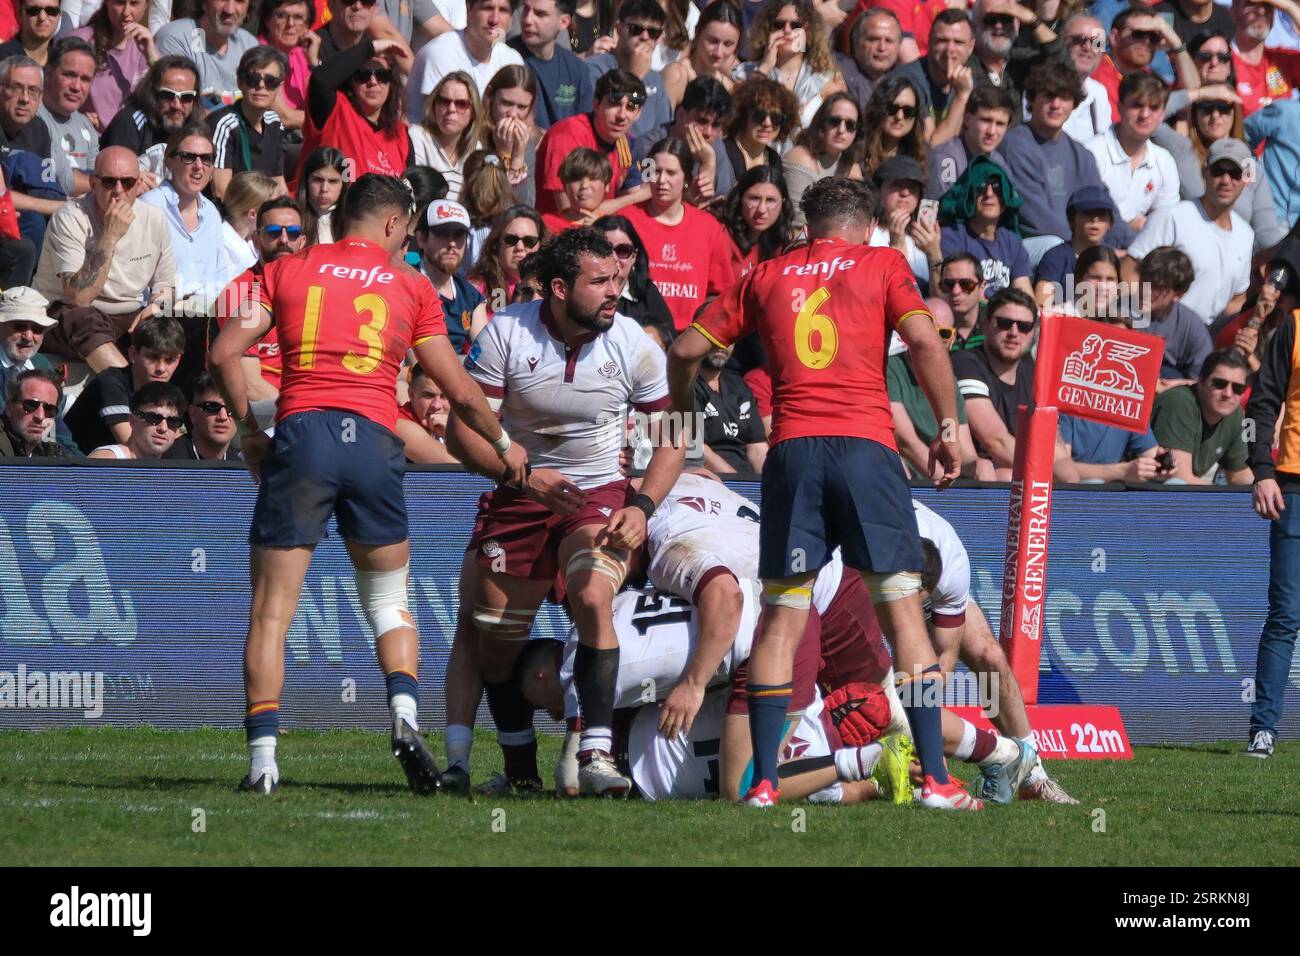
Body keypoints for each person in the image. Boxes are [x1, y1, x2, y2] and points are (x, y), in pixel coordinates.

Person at [208, 173, 525, 796]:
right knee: (387, 599)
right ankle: (404, 716)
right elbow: (460, 390)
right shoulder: (410, 283)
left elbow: (223, 354)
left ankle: (263, 764)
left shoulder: (286, 268)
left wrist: (249, 432)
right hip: (375, 441)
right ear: (393, 223)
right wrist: (503, 445)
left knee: (271, 612)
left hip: (301, 434)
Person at [668, 176, 977, 810]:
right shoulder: (884, 264)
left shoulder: (766, 274)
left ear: (807, 226)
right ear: (868, 226)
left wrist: (681, 413)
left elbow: (684, 347)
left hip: (793, 453)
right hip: (866, 449)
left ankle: (763, 783)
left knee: (782, 620)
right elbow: (924, 341)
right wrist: (948, 428)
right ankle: (937, 781)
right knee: (903, 616)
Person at [442, 226, 685, 797]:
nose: (614, 292)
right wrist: (524, 477)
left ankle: (597, 754)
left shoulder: (633, 341)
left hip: (597, 496)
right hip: (520, 494)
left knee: (594, 594)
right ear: (558, 288)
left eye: (617, 279)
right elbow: (460, 433)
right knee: (496, 640)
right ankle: (519, 769)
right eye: (599, 282)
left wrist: (642, 505)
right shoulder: (506, 331)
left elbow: (675, 437)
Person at [35, 145, 175, 373]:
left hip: (127, 316)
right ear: (93, 184)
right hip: (65, 314)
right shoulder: (70, 217)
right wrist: (110, 237)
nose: (118, 190)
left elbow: (166, 285)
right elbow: (79, 298)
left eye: (127, 182)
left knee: (189, 320)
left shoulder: (154, 218)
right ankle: (128, 387)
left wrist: (158, 307)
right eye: (109, 182)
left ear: (139, 183)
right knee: (84, 319)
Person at [1243, 263, 1300, 757]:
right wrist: (1262, 469)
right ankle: (1264, 728)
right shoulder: (1293, 328)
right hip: (1294, 486)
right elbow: (1261, 403)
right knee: (1285, 615)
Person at [1125, 137, 1255, 326]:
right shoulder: (1172, 216)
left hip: (1205, 337)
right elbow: (1130, 267)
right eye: (1218, 171)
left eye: (1235, 173)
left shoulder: (1246, 234)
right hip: (1158, 327)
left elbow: (1237, 299)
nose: (1226, 180)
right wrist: (1141, 320)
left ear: (1247, 178)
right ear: (1205, 172)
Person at [622, 137, 735, 332]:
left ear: (686, 179)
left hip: (685, 337)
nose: (661, 180)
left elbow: (721, 291)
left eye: (671, 173)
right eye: (656, 171)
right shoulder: (626, 220)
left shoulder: (708, 226)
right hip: (635, 333)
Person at [999, 62, 1106, 259]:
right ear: (1032, 99)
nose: (1056, 105)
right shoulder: (1014, 144)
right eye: (1048, 96)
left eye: (1064, 98)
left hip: (1076, 247)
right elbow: (1037, 219)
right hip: (1026, 247)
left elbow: (1103, 207)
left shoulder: (1082, 154)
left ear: (1074, 104)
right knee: (1055, 245)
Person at [212, 194, 308, 403]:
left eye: (293, 233)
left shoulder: (313, 289)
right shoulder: (237, 293)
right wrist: (299, 410)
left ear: (302, 241)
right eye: (273, 232)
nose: (284, 240)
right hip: (262, 409)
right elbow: (249, 385)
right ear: (256, 239)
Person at [293, 34, 414, 191]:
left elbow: (411, 191)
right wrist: (372, 47)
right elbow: (321, 80)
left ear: (391, 83)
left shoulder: (400, 135)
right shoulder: (335, 110)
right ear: (351, 81)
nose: (373, 82)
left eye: (382, 75)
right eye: (363, 75)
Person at [888, 298, 986, 480]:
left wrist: (978, 468)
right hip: (907, 471)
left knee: (984, 467)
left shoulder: (949, 380)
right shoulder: (890, 368)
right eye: (927, 330)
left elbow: (965, 451)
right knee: (896, 465)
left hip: (942, 475)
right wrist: (947, 486)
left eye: (943, 333)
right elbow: (906, 442)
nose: (932, 341)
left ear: (952, 340)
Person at [138, 124, 230, 313]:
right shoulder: (149, 207)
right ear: (169, 161)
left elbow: (220, 276)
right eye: (189, 157)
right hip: (160, 313)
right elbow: (138, 277)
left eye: (206, 159)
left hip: (206, 313)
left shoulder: (212, 213)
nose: (198, 166)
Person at [534, 67, 648, 217]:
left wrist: (643, 195)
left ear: (638, 113)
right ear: (596, 104)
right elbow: (571, 213)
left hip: (599, 226)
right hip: (555, 227)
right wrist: (637, 197)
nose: (622, 115)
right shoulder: (567, 134)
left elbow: (638, 200)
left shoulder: (626, 142)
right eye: (614, 103)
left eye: (631, 107)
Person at [64, 313, 185, 452]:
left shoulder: (171, 394)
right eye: (153, 357)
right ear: (133, 353)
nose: (161, 369)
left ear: (178, 360)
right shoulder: (110, 383)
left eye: (169, 360)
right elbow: (134, 447)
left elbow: (179, 446)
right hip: (77, 462)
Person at [952, 286, 1037, 480]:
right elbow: (996, 442)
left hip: (1023, 473)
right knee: (1008, 478)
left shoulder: (1033, 373)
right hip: (975, 480)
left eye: (1024, 326)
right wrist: (1050, 474)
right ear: (987, 325)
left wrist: (1070, 478)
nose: (1014, 332)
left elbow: (1055, 448)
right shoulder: (965, 363)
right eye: (1004, 323)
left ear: (1033, 333)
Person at [1085, 72, 1180, 236]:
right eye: (1137, 105)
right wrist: (1126, 230)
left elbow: (1166, 224)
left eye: (1154, 107)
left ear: (1163, 114)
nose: (1144, 115)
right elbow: (1081, 220)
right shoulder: (1090, 154)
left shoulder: (1164, 161)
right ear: (1120, 107)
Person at [583, 0, 675, 159]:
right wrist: (635, 77)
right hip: (604, 159)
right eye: (636, 29)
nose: (645, 37)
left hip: (643, 164)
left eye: (653, 33)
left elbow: (661, 137)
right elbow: (601, 125)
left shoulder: (655, 80)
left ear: (660, 38)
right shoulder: (595, 68)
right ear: (619, 29)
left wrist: (647, 172)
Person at [1150, 348, 1254, 484]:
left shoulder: (1235, 413)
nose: (1228, 394)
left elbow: (1240, 475)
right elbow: (1179, 479)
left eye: (1238, 388)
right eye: (1219, 384)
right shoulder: (1178, 403)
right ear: (1201, 383)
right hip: (1135, 489)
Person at [407, 0, 523, 117]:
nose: (494, 20)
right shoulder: (441, 53)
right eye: (487, 8)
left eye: (503, 10)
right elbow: (440, 122)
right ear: (468, 9)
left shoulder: (512, 60)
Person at [938, 155, 1034, 297]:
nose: (989, 194)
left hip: (1004, 310)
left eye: (997, 187)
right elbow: (951, 295)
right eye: (981, 187)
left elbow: (1025, 294)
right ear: (970, 196)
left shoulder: (1012, 242)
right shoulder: (952, 237)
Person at [0, 54, 70, 247]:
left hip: (25, 213)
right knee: (34, 222)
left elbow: (44, 187)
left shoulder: (38, 128)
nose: (24, 98)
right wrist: (57, 207)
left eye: (33, 91)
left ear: (40, 96)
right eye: (16, 88)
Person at [739, 0, 842, 128]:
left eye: (795, 25)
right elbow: (740, 114)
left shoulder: (827, 81)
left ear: (808, 32)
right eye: (779, 25)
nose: (787, 30)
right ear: (768, 30)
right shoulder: (744, 73)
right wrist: (764, 67)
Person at [99, 54, 203, 178]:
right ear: (153, 93)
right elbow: (115, 178)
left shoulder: (194, 129)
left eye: (186, 97)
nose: (176, 105)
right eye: (168, 95)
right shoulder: (130, 123)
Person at [206, 45, 288, 198]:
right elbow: (221, 192)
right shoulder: (224, 124)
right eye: (253, 79)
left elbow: (278, 182)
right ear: (239, 82)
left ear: (279, 87)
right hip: (233, 209)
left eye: (270, 81)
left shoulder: (275, 123)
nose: (261, 85)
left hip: (264, 207)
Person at [1092, 6, 1199, 118]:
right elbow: (1094, 33)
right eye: (1138, 34)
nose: (1146, 41)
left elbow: (1192, 95)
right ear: (1115, 37)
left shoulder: (1150, 78)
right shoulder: (1094, 68)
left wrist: (1176, 43)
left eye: (1154, 37)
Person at [154, 0, 260, 111]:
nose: (229, 10)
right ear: (204, 3)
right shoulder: (176, 38)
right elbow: (178, 109)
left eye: (239, 1)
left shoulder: (250, 45)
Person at [414, 198, 487, 352]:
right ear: (421, 239)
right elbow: (412, 357)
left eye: (459, 235)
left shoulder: (470, 296)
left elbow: (485, 352)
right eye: (443, 234)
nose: (452, 243)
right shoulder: (405, 285)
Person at [781, 92, 864, 229]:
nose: (841, 130)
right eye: (834, 121)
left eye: (850, 125)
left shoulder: (852, 167)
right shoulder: (801, 157)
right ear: (821, 124)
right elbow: (798, 221)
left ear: (857, 131)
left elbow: (858, 218)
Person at [70, 0, 156, 131]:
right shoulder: (80, 42)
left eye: (134, 3)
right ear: (106, 3)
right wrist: (75, 117)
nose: (126, 12)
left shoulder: (146, 44)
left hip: (134, 137)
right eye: (119, 3)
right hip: (92, 136)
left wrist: (152, 58)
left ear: (145, 6)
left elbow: (167, 98)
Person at [1135, 245, 1214, 386]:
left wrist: (1174, 386)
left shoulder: (1192, 327)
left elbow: (1204, 382)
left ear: (1178, 294)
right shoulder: (1118, 311)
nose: (1145, 290)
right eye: (1143, 281)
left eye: (1156, 287)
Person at [509, 0, 593, 129]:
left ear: (563, 22)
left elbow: (585, 128)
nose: (527, 20)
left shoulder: (577, 69)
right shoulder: (506, 60)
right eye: (525, 9)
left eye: (540, 14)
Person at [709, 76, 797, 198]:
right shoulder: (722, 152)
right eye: (759, 115)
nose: (767, 123)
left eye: (775, 118)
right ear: (743, 116)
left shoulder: (774, 159)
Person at [593, 212, 675, 342]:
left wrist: (653, 335)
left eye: (623, 250)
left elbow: (668, 335)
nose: (614, 258)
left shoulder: (646, 292)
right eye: (605, 249)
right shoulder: (581, 290)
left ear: (634, 257)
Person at [926, 83, 1014, 201]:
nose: (992, 131)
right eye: (986, 120)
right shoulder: (946, 159)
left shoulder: (998, 163)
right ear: (967, 119)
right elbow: (943, 208)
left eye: (1000, 124)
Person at [1032, 184, 1118, 302]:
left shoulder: (1112, 259)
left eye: (1101, 213)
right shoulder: (1056, 257)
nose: (1095, 219)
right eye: (1087, 213)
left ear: (1110, 223)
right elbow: (1042, 304)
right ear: (1071, 219)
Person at [38, 37, 99, 198]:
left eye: (85, 79)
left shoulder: (86, 125)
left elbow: (98, 175)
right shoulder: (32, 117)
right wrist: (108, 183)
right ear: (48, 73)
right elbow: (63, 181)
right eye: (70, 75)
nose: (76, 87)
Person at [694, 342, 767, 474]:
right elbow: (696, 449)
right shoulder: (683, 386)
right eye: (714, 336)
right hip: (706, 479)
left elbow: (758, 449)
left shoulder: (739, 386)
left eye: (729, 339)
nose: (722, 344)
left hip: (743, 478)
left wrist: (769, 480)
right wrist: (737, 482)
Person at [409, 71, 482, 200]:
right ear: (434, 104)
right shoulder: (417, 137)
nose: (451, 109)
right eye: (443, 101)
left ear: (473, 112)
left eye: (461, 104)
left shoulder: (476, 149)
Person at [477, 65, 542, 207]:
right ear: (490, 96)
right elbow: (485, 200)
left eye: (522, 107)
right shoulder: (474, 135)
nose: (513, 114)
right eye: (506, 103)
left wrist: (517, 157)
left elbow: (525, 205)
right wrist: (503, 155)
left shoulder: (524, 142)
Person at [872, 154, 938, 286]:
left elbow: (940, 295)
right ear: (879, 190)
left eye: (912, 188)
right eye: (896, 185)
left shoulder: (925, 238)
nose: (905, 193)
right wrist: (896, 246)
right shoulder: (868, 233)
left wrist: (934, 256)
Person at [662, 0, 744, 106]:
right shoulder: (677, 76)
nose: (718, 52)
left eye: (728, 44)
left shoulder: (728, 90)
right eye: (713, 41)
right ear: (697, 32)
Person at [720, 164, 792, 283]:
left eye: (770, 200)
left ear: (782, 204)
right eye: (754, 198)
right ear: (740, 199)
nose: (761, 209)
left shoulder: (779, 243)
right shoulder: (722, 236)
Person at [469, 204, 544, 313]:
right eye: (511, 239)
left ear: (540, 244)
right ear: (496, 244)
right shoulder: (479, 290)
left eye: (529, 241)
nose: (519, 247)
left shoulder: (551, 286)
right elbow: (497, 318)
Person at [256, 0, 318, 130]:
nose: (290, 24)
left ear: (307, 26)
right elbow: (286, 118)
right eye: (282, 16)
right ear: (267, 21)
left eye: (298, 17)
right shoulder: (258, 57)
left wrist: (313, 62)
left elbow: (320, 105)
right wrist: (329, 121)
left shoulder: (302, 55)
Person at [1230, 0, 1300, 116]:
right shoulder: (1220, 61)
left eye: (1268, 6)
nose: (1261, 11)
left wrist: (1290, 7)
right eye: (1251, 4)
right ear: (1233, 11)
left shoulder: (1282, 59)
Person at [87, 380, 187, 459]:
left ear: (178, 430)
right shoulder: (108, 459)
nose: (163, 428)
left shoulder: (174, 472)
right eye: (153, 418)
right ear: (132, 421)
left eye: (173, 421)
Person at [859, 75, 928, 181]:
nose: (899, 117)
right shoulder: (858, 151)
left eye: (908, 111)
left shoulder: (925, 157)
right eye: (892, 109)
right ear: (878, 108)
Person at [1059, 12, 1113, 144]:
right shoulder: (1042, 87)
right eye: (1079, 40)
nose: (1088, 47)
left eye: (1097, 42)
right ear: (1061, 43)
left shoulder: (1099, 92)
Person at [835, 6, 902, 110]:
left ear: (899, 46)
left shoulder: (902, 84)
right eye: (874, 39)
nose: (882, 48)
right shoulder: (838, 72)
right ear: (856, 41)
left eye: (889, 41)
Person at [163, 372, 241, 460]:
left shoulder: (243, 465)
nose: (223, 417)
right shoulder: (166, 459)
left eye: (232, 408)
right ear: (193, 413)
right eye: (212, 407)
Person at [218, 169, 279, 281]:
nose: (277, 213)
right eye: (272, 208)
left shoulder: (253, 240)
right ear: (253, 214)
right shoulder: (221, 248)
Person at [395, 361, 458, 463]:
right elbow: (457, 466)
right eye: (428, 395)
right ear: (411, 395)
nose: (436, 405)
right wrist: (451, 434)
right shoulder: (401, 423)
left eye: (445, 396)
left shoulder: (454, 420)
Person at [0, 366, 70, 457]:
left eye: (49, 409)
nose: (40, 417)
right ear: (9, 408)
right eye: (31, 405)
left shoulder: (50, 452)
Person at [541, 147, 611, 232]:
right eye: (576, 179)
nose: (584, 186)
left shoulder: (614, 228)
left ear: (607, 185)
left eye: (593, 178)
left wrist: (600, 229)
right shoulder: (547, 225)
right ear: (565, 186)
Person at [296, 145, 347, 244]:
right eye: (318, 180)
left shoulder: (353, 222)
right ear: (306, 180)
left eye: (333, 181)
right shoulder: (292, 219)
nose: (324, 189)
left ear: (344, 184)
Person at [935, 250, 987, 349]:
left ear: (981, 287)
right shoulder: (930, 324)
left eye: (966, 284)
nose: (956, 291)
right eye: (949, 284)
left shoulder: (998, 323)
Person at [0, 1, 60, 67]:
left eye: (51, 10)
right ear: (20, 14)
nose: (42, 17)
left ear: (60, 16)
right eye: (34, 10)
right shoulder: (3, 59)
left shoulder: (62, 60)